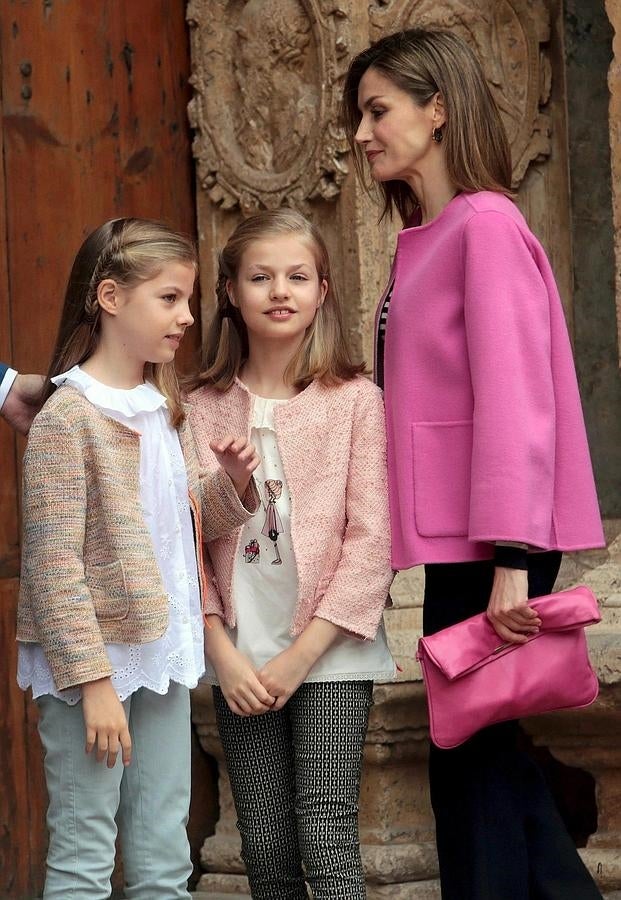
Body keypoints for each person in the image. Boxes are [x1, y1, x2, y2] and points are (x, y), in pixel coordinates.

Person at [341, 28, 605, 900]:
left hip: (492, 544)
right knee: (482, 768)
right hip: (469, 543)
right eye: (359, 115)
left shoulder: (484, 225)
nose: (361, 133)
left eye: (378, 110)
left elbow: (516, 404)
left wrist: (514, 565)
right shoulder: (436, 233)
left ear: (438, 109)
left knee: (473, 769)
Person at [15, 218, 260, 900]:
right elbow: (54, 566)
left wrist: (232, 489)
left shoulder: (162, 409)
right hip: (90, 672)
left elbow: (176, 529)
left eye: (188, 301)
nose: (187, 317)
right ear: (111, 297)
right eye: (170, 298)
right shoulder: (69, 418)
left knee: (163, 858)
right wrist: (93, 684)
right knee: (84, 857)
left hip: (162, 657)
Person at [186, 208, 395, 899]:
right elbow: (182, 541)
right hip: (239, 655)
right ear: (230, 292)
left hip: (329, 651)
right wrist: (221, 651)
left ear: (322, 289)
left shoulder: (356, 402)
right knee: (265, 844)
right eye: (260, 276)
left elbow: (372, 540)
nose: (280, 290)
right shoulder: (197, 407)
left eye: (297, 276)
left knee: (326, 832)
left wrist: (301, 654)